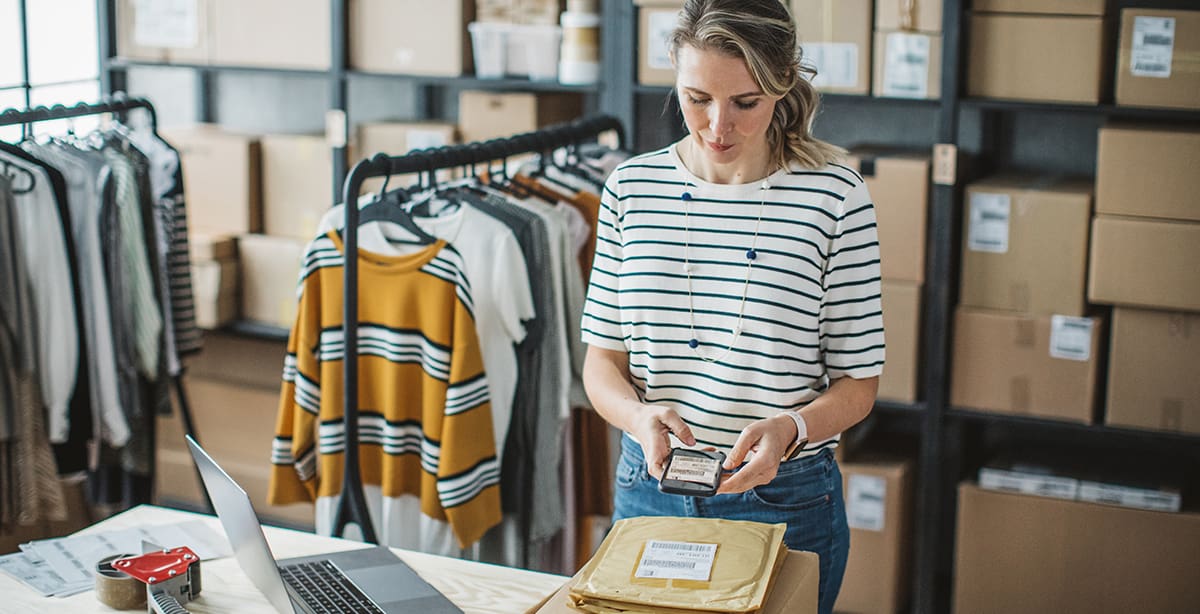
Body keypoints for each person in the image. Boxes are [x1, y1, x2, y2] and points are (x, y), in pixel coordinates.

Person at [579, 0, 884, 611]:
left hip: (785, 498)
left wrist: (791, 429)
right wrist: (639, 420)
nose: (718, 126)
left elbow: (859, 384)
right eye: (697, 98)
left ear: (782, 85)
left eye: (745, 102)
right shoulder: (630, 189)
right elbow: (601, 363)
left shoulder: (835, 196)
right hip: (651, 487)